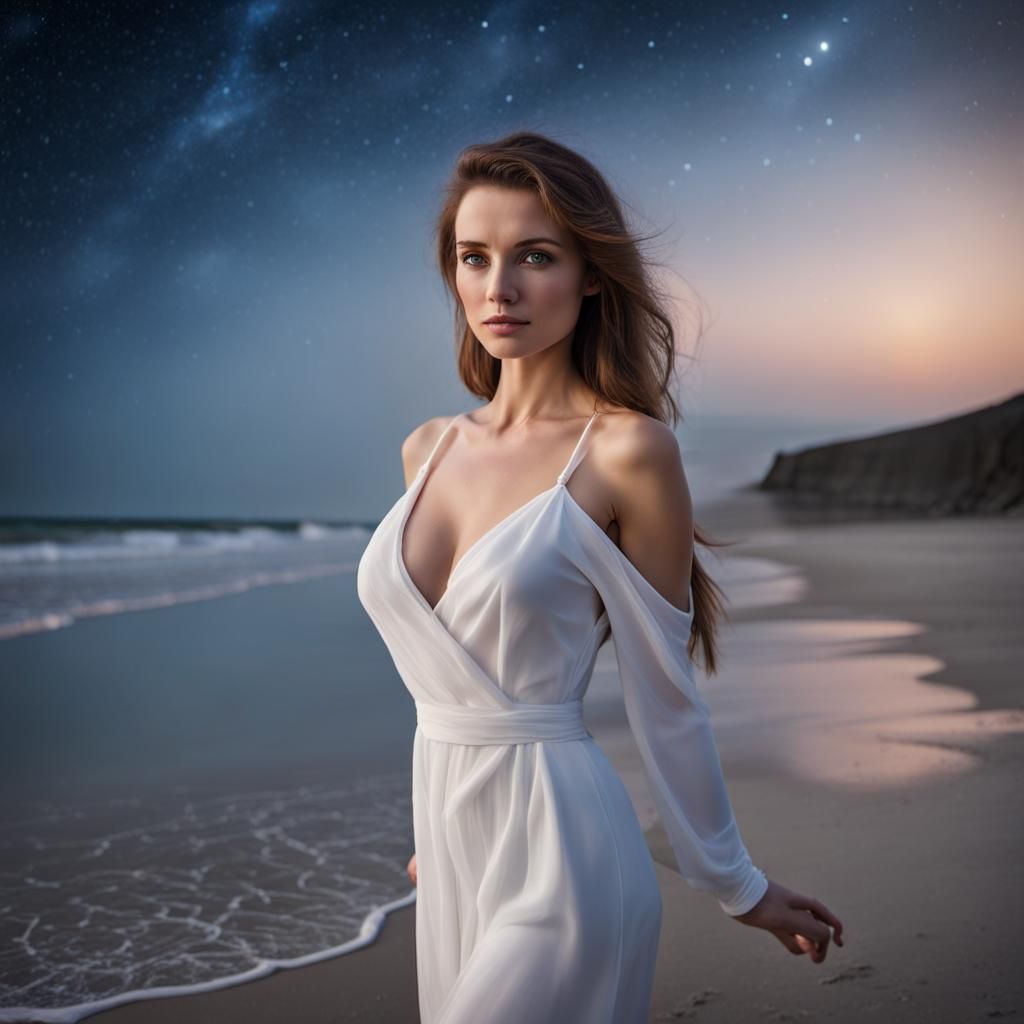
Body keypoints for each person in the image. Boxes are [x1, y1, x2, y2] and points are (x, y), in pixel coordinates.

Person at [356, 130, 843, 1023]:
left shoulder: (627, 452)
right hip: (453, 853)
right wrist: (431, 832)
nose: (498, 288)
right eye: (475, 258)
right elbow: (444, 679)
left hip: (565, 856)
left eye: (534, 257)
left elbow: (666, 696)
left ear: (589, 274)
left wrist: (739, 883)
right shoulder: (425, 450)